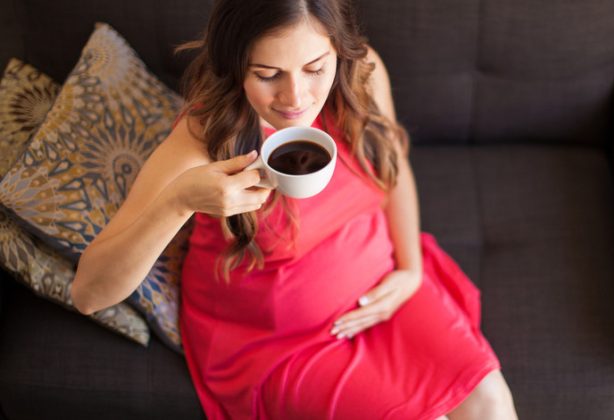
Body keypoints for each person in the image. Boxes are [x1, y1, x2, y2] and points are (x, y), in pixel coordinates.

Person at [71, 0, 519, 418]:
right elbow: (90, 294)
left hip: (381, 285)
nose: (296, 98)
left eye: (314, 68)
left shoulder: (362, 75)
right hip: (277, 341)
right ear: (234, 67)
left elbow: (394, 168)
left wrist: (411, 271)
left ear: (337, 53)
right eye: (268, 74)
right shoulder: (200, 140)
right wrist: (179, 200)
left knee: (490, 400)